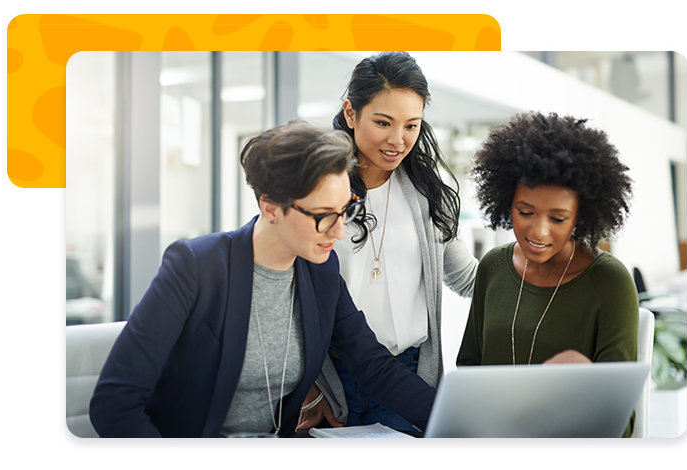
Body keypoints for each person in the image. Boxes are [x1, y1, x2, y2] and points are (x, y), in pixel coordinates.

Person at [89, 120, 436, 437]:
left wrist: (456, 419)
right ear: (270, 208)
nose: (340, 231)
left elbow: (373, 366)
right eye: (324, 215)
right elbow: (114, 404)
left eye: (346, 210)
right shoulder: (196, 267)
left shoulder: (321, 272)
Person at [297, 51, 478, 433]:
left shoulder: (429, 195)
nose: (398, 140)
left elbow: (468, 278)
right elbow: (288, 295)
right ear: (351, 113)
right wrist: (310, 386)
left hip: (409, 377)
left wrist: (542, 267)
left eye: (411, 125)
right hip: (332, 381)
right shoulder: (316, 190)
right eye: (383, 122)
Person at [456, 111, 639, 436]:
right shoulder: (492, 267)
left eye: (557, 219)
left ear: (581, 217)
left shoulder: (610, 283)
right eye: (525, 212)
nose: (538, 232)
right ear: (505, 201)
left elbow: (619, 420)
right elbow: (469, 371)